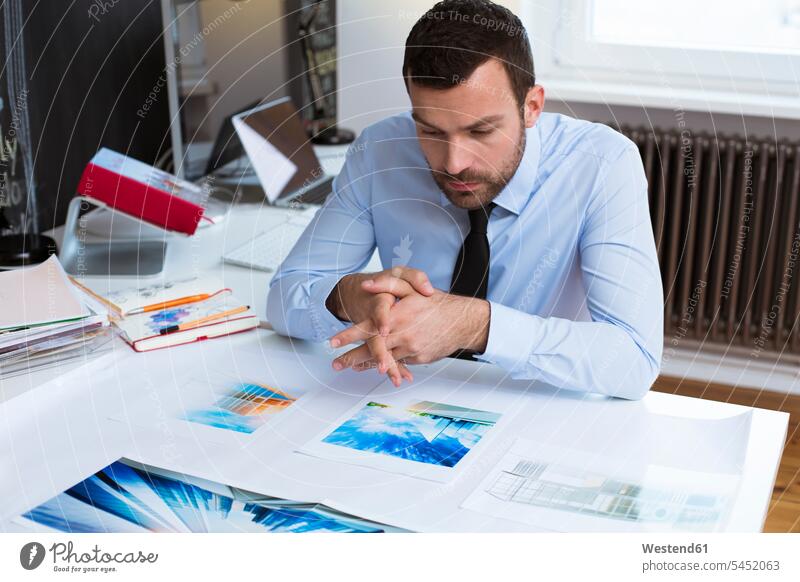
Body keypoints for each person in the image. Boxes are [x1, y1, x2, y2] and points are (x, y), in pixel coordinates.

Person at [267, 0, 663, 400]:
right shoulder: (380, 152)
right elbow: (282, 298)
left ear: (532, 106)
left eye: (482, 131)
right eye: (432, 132)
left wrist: (476, 325)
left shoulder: (602, 164)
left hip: (538, 412)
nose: (455, 164)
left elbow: (635, 359)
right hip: (401, 403)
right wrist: (345, 298)